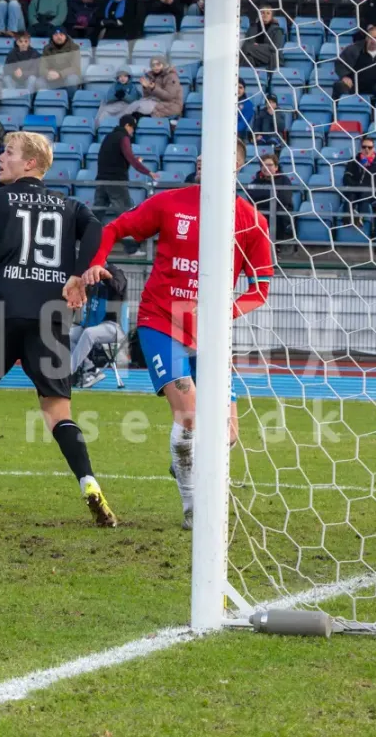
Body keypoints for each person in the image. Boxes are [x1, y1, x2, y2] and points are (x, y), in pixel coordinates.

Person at [81, 142, 276, 528]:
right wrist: (97, 262)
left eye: (214, 155)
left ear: (236, 166)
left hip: (210, 334)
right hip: (160, 321)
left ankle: (182, 460)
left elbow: (261, 289)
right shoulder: (170, 203)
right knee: (188, 416)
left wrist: (223, 313)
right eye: (201, 156)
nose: (203, 160)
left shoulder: (251, 220)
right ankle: (192, 507)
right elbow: (114, 228)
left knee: (227, 434)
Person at [0, 131, 115, 525]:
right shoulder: (69, 205)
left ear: (30, 162)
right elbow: (97, 229)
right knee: (58, 410)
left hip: (2, 308)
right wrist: (78, 273)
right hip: (51, 313)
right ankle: (89, 483)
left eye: (7, 152)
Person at [70, 267, 128, 389]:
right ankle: (90, 369)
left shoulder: (116, 273)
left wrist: (104, 276)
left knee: (89, 333)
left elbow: (118, 287)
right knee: (68, 335)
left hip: (113, 326)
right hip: (93, 324)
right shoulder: (89, 277)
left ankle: (68, 372)